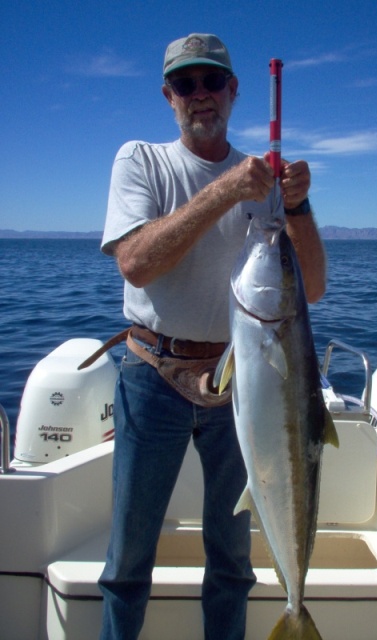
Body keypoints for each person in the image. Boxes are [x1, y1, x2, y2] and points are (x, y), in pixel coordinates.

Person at [98, 33, 327, 640]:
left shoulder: (264, 178)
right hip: (153, 377)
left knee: (232, 560)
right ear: (169, 95)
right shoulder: (142, 161)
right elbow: (136, 263)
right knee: (128, 560)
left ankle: (288, 612)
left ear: (233, 90)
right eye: (186, 84)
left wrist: (298, 208)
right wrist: (226, 190)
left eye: (213, 82)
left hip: (240, 387)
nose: (201, 96)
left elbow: (312, 288)